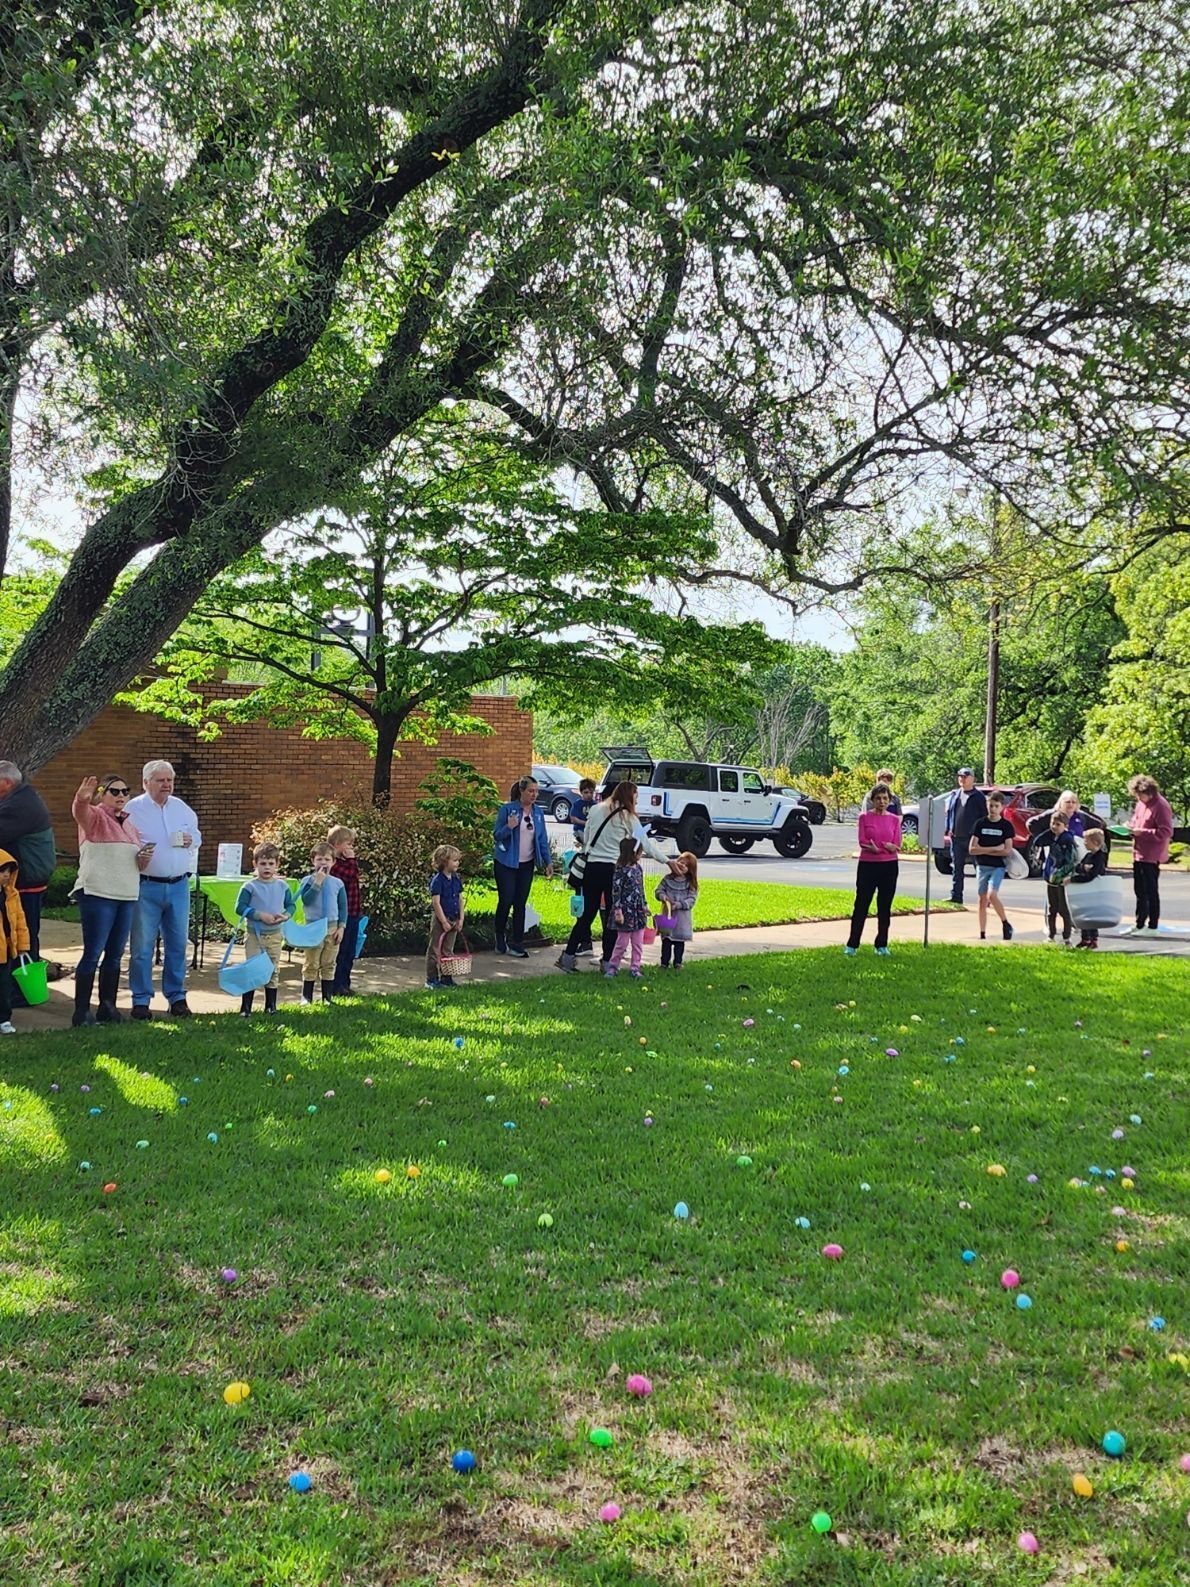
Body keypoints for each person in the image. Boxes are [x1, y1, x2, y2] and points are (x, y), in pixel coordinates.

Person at [556, 780, 679, 973]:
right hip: (613, 870)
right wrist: (668, 861)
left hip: (591, 867)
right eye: (636, 797)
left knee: (587, 915)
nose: (636, 801)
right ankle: (607, 961)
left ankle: (568, 957)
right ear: (630, 796)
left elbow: (586, 838)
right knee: (613, 916)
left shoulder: (596, 809)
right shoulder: (628, 817)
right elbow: (646, 845)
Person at [71, 774, 151, 1026]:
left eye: (125, 791)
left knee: (115, 954)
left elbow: (136, 864)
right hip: (98, 894)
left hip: (126, 895)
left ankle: (108, 1007)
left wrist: (143, 859)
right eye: (114, 791)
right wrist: (81, 799)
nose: (121, 796)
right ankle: (82, 1012)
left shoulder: (131, 826)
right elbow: (80, 812)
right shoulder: (95, 816)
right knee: (93, 952)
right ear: (102, 794)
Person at [126, 759, 201, 1020]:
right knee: (142, 947)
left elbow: (197, 836)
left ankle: (177, 997)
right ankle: (140, 1000)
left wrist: (192, 839)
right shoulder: (132, 809)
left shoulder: (181, 808)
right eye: (160, 780)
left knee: (178, 944)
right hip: (146, 886)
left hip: (179, 885)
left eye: (170, 780)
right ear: (145, 782)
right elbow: (122, 844)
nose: (166, 784)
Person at [0, 761, 56, 965]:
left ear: (7, 783)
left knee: (22, 934)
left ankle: (23, 981)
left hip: (27, 880)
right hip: (28, 876)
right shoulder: (23, 797)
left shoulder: (19, 805)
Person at [492, 777, 553, 957]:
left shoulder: (538, 813)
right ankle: (499, 936)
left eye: (536, 791)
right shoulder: (507, 809)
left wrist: (548, 862)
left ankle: (517, 943)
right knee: (506, 900)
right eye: (531, 791)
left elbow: (542, 839)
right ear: (521, 791)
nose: (534, 795)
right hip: (506, 863)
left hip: (526, 864)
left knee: (520, 903)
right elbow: (497, 835)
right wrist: (509, 827)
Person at [233, 843, 296, 1017]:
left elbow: (291, 905)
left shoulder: (283, 886)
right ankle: (246, 1007)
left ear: (277, 864)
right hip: (255, 935)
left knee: (273, 968)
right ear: (255, 864)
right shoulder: (250, 887)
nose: (267, 867)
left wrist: (286, 916)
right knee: (252, 968)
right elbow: (239, 908)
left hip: (275, 935)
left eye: (270, 863)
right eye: (262, 863)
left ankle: (270, 1005)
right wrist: (259, 915)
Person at [844, 783, 902, 955]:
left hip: (889, 866)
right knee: (861, 905)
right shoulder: (864, 817)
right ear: (873, 800)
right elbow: (863, 841)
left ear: (889, 800)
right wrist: (874, 848)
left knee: (884, 906)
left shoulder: (894, 819)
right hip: (868, 865)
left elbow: (897, 843)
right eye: (878, 798)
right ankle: (852, 945)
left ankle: (882, 945)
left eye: (885, 798)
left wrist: (888, 847)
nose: (882, 802)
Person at [297, 843, 347, 1004]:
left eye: (327, 859)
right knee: (311, 962)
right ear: (313, 861)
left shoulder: (338, 883)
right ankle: (307, 997)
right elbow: (307, 900)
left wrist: (341, 927)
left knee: (329, 962)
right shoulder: (307, 881)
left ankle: (327, 997)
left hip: (332, 928)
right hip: (313, 927)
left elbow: (343, 907)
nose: (323, 863)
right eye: (319, 859)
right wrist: (317, 883)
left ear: (333, 862)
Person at [1124, 774, 1174, 935]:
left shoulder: (1161, 805)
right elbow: (1136, 820)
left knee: (1150, 891)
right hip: (1138, 852)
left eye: (1141, 794)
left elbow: (1166, 832)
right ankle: (1139, 924)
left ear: (1150, 792)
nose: (1138, 798)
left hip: (1152, 855)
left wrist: (1142, 832)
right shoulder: (1141, 804)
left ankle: (1153, 926)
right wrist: (1130, 826)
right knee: (1139, 891)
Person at [969, 791, 1016, 941]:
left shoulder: (1006, 826)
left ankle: (1005, 923)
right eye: (991, 805)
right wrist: (994, 848)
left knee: (992, 894)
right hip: (982, 866)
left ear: (1002, 807)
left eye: (996, 806)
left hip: (998, 867)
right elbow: (972, 849)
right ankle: (982, 933)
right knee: (982, 899)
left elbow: (1007, 850)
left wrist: (985, 850)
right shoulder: (980, 824)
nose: (993, 809)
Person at [605, 838, 648, 978]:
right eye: (639, 852)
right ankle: (613, 967)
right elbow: (616, 891)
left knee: (638, 943)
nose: (641, 855)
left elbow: (641, 889)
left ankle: (635, 968)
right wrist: (618, 910)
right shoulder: (620, 870)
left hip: (638, 912)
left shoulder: (638, 869)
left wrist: (644, 905)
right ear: (633, 852)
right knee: (621, 943)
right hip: (625, 912)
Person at [329, 825, 363, 993]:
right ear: (337, 844)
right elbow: (351, 875)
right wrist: (352, 859)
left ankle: (345, 983)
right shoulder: (335, 865)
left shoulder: (348, 864)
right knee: (341, 951)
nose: (351, 848)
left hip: (354, 911)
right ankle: (337, 984)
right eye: (348, 844)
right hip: (342, 914)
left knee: (350, 950)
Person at [944, 769, 987, 905]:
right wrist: (948, 829)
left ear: (972, 778)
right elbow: (949, 813)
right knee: (957, 869)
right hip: (956, 838)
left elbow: (984, 818)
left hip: (973, 839)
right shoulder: (955, 795)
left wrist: (980, 835)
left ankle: (984, 898)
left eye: (965, 776)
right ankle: (956, 896)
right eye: (960, 776)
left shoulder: (978, 796)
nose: (962, 779)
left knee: (979, 868)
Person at [426, 843, 465, 990]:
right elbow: (436, 902)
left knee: (448, 950)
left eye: (458, 860)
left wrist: (461, 918)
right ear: (444, 861)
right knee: (435, 949)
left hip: (454, 918)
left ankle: (446, 977)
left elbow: (460, 899)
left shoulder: (456, 879)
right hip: (441, 919)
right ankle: (431, 978)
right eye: (454, 860)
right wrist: (443, 921)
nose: (457, 863)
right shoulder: (438, 880)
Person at [0, 850, 31, 1034]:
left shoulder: (12, 894)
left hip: (6, 950)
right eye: (2, 871)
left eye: (8, 871)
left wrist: (22, 945)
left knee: (4, 987)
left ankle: (4, 1019)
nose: (6, 875)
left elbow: (20, 921)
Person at [567, 778, 598, 955]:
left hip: (588, 862)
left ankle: (585, 942)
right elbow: (573, 818)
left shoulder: (596, 807)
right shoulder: (578, 805)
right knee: (585, 905)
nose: (588, 795)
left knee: (587, 906)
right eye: (586, 792)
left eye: (591, 792)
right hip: (583, 843)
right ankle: (584, 942)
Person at [655, 851, 698, 969]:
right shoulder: (667, 879)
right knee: (666, 941)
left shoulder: (690, 883)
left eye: (686, 865)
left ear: (690, 869)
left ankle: (678, 962)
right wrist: (663, 897)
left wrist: (679, 904)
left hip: (681, 919)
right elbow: (658, 890)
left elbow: (691, 900)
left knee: (679, 942)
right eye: (680, 862)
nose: (682, 866)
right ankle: (664, 963)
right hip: (668, 917)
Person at [1040, 810, 1077, 944]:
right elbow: (1038, 841)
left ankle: (1066, 936)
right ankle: (1051, 934)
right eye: (1052, 823)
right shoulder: (1052, 837)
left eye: (1058, 824)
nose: (1054, 826)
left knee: (1063, 908)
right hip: (1051, 878)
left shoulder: (1067, 840)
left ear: (1065, 826)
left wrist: (1061, 875)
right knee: (1052, 908)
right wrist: (1050, 832)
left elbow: (1070, 861)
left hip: (1061, 879)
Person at [1070, 828, 1109, 949]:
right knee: (1083, 914)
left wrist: (1073, 879)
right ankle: (1085, 938)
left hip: (1094, 890)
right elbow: (1078, 867)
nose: (1084, 843)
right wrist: (1083, 868)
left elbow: (1092, 875)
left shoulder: (1099, 858)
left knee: (1091, 915)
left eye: (1086, 841)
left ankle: (1093, 939)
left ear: (1095, 842)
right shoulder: (1088, 855)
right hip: (1085, 890)